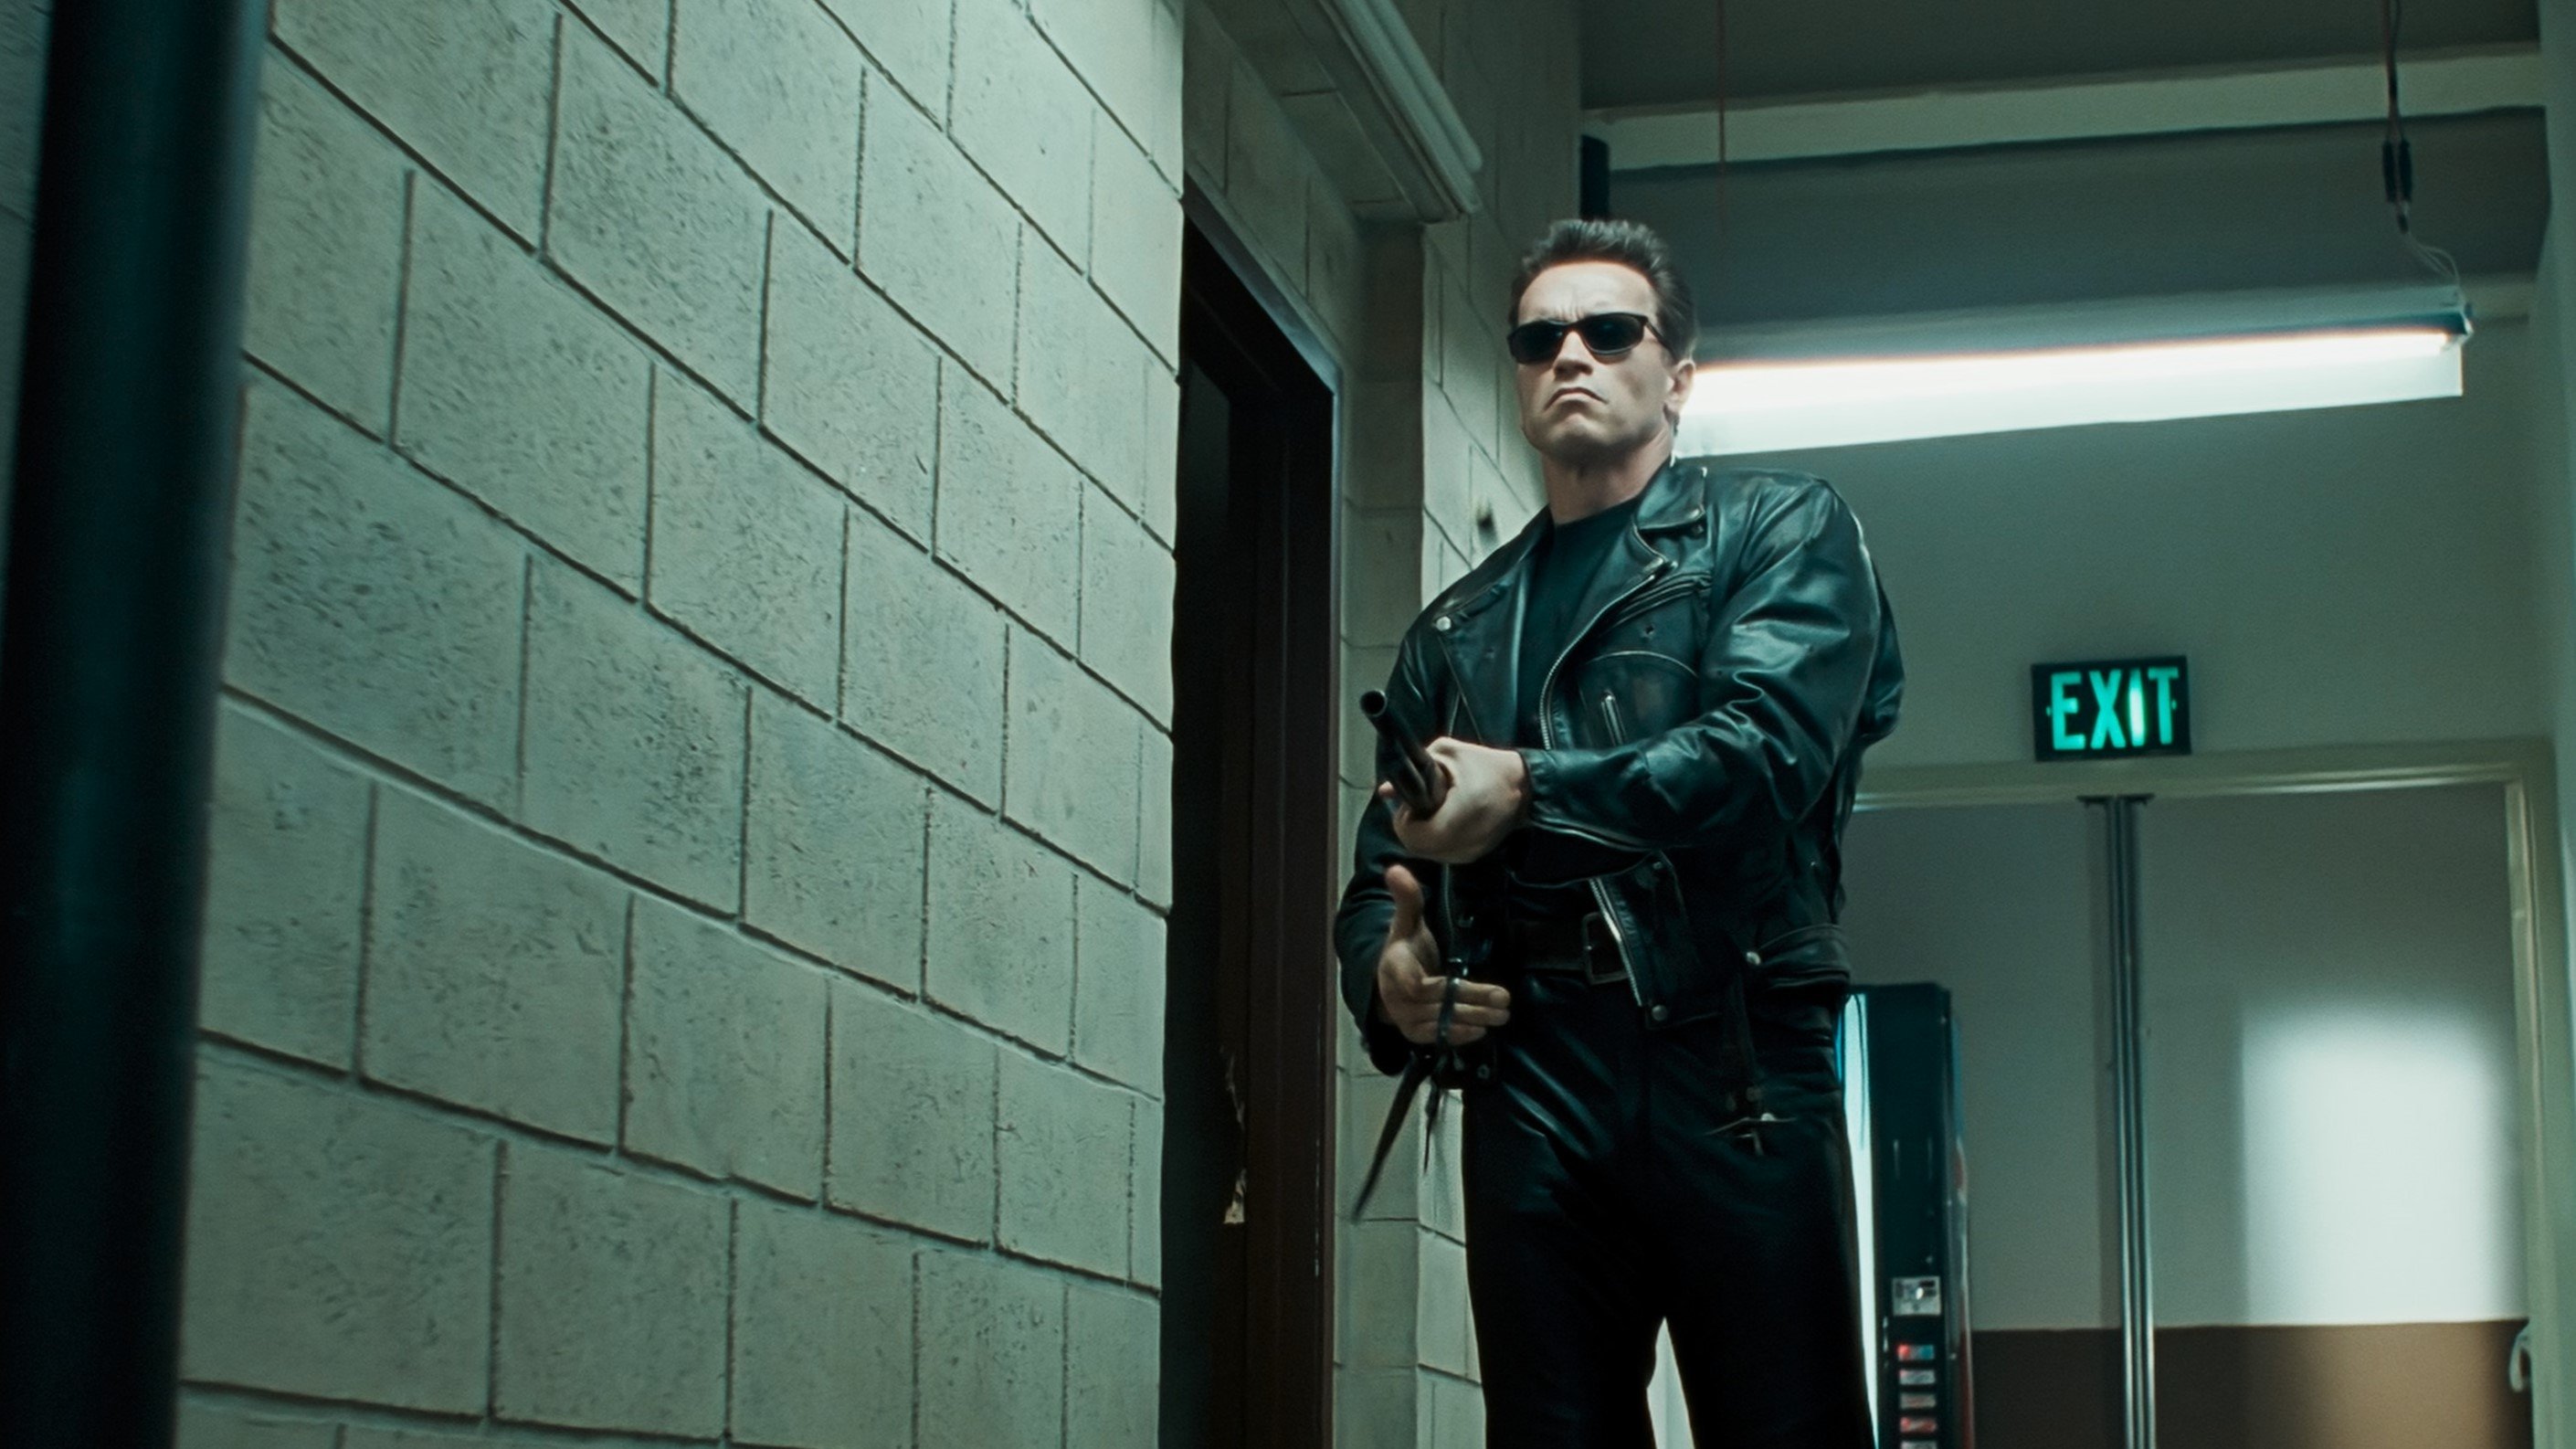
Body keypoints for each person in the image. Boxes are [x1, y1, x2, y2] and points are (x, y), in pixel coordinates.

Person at [1332, 217, 1905, 1447]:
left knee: (1787, 1427)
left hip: (1735, 1054)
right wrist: (1389, 973)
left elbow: (1763, 754)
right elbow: (1379, 874)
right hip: (1534, 1078)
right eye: (1539, 339)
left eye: (1607, 330)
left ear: (1678, 375)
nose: (1570, 355)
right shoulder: (1457, 629)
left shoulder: (1780, 531)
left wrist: (1528, 788)